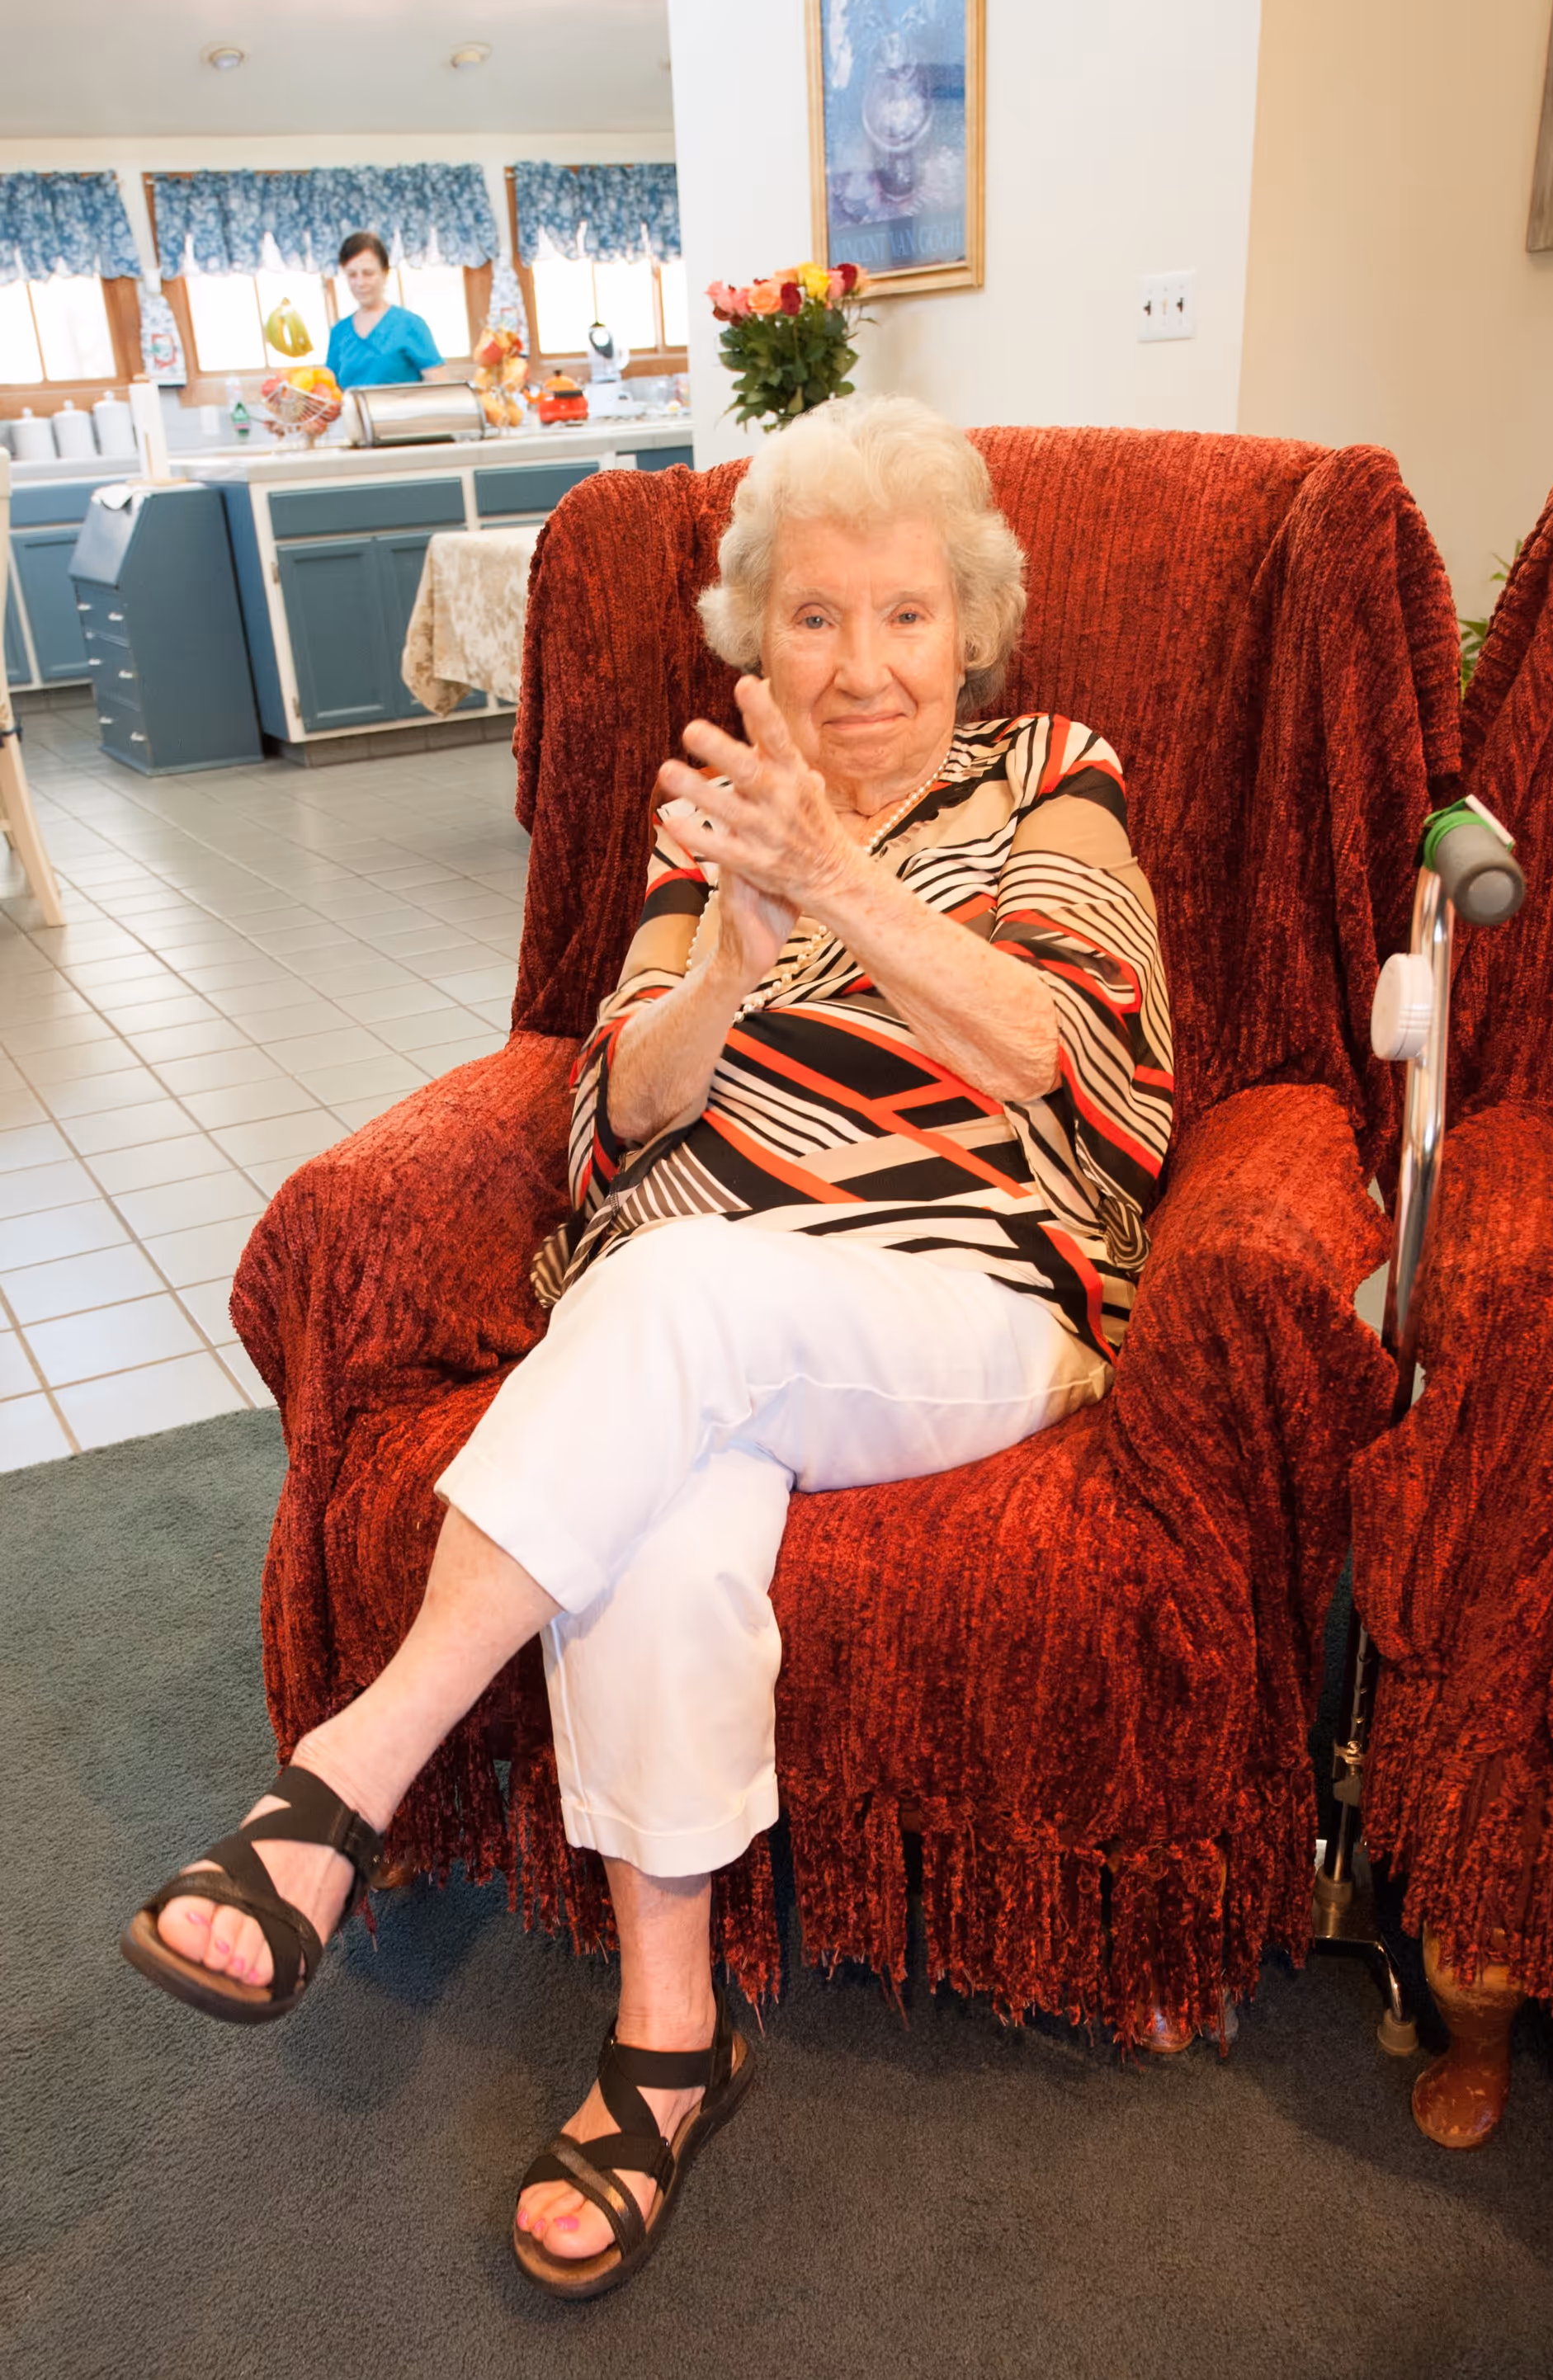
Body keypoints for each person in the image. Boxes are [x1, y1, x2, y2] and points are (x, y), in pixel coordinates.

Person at [121, 394, 1173, 2299]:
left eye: (908, 618)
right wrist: (732, 956)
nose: (863, 669)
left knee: (668, 1306)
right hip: (699, 1297)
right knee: (666, 1498)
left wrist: (846, 887)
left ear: (974, 630)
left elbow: (1083, 1065)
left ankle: (352, 1771)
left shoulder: (1051, 775)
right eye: (817, 621)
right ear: (759, 640)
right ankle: (670, 2042)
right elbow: (613, 1116)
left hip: (965, 1298)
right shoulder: (718, 817)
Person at [324, 231, 451, 388]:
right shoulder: (339, 332)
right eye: (352, 275)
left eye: (368, 273)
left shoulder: (410, 325)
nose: (360, 283)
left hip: (405, 412)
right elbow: (330, 392)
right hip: (351, 413)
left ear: (385, 273)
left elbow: (441, 388)